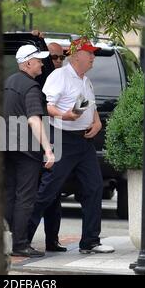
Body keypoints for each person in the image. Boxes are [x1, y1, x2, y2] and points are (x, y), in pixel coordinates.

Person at [28, 37, 115, 254]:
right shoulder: (60, 76)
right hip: (62, 138)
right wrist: (64, 115)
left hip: (84, 141)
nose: (93, 57)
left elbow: (90, 104)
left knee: (94, 187)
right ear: (77, 56)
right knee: (48, 190)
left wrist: (96, 121)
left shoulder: (85, 80)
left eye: (93, 53)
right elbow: (47, 106)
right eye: (90, 53)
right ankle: (22, 238)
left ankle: (90, 241)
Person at [4, 44, 55, 258]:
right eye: (39, 60)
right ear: (28, 63)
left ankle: (4, 242)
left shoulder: (7, 83)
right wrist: (48, 150)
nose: (42, 64)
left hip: (3, 146)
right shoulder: (31, 87)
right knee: (25, 197)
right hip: (26, 149)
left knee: (7, 195)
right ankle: (20, 244)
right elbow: (34, 120)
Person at [41, 42, 68, 252]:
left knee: (54, 192)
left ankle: (52, 239)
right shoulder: (39, 76)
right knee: (39, 191)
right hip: (36, 140)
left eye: (61, 57)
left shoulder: (65, 77)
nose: (58, 61)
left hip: (59, 140)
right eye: (53, 57)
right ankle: (22, 237)